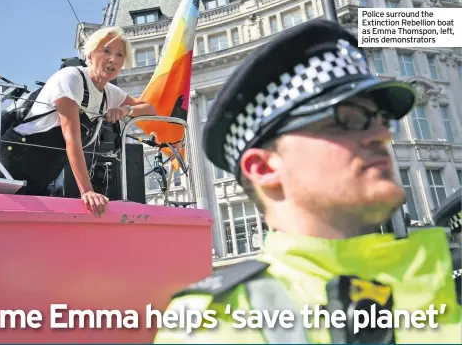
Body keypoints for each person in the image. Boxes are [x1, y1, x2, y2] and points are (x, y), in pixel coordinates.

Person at [153, 20, 461, 343]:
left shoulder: (447, 275)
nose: (381, 135)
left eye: (382, 120)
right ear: (263, 168)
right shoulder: (212, 323)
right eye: (347, 120)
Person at [0, 26, 156, 217]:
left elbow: (149, 108)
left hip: (42, 175)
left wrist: (125, 110)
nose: (113, 59)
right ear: (90, 56)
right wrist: (87, 191)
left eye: (119, 55)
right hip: (12, 163)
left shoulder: (109, 93)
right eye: (106, 51)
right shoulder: (71, 78)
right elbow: (71, 138)